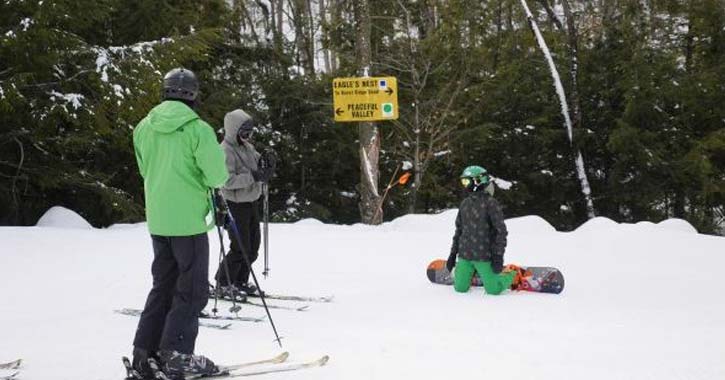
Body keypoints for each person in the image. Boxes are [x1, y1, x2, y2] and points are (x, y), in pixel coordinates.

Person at [131, 68, 228, 379]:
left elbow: (145, 169)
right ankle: (177, 354)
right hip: (188, 222)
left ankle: (145, 352)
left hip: (158, 219)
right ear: (193, 96)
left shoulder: (144, 127)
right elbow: (216, 176)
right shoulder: (198, 129)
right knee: (193, 290)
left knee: (163, 286)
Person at [214, 109, 275, 296]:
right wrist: (254, 176)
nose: (247, 137)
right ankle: (223, 282)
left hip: (251, 202)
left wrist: (267, 161)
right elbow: (227, 181)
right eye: (244, 133)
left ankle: (240, 280)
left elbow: (258, 163)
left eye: (250, 133)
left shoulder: (247, 148)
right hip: (235, 205)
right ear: (233, 131)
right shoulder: (225, 151)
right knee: (240, 247)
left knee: (253, 248)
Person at [446, 165, 515, 295]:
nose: (465, 185)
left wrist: (497, 256)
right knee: (459, 288)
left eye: (466, 181)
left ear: (478, 181)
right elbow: (459, 231)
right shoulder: (465, 204)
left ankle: (512, 273)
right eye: (463, 182)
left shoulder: (491, 203)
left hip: (484, 256)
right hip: (465, 255)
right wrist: (452, 254)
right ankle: (472, 273)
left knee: (493, 290)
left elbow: (500, 232)